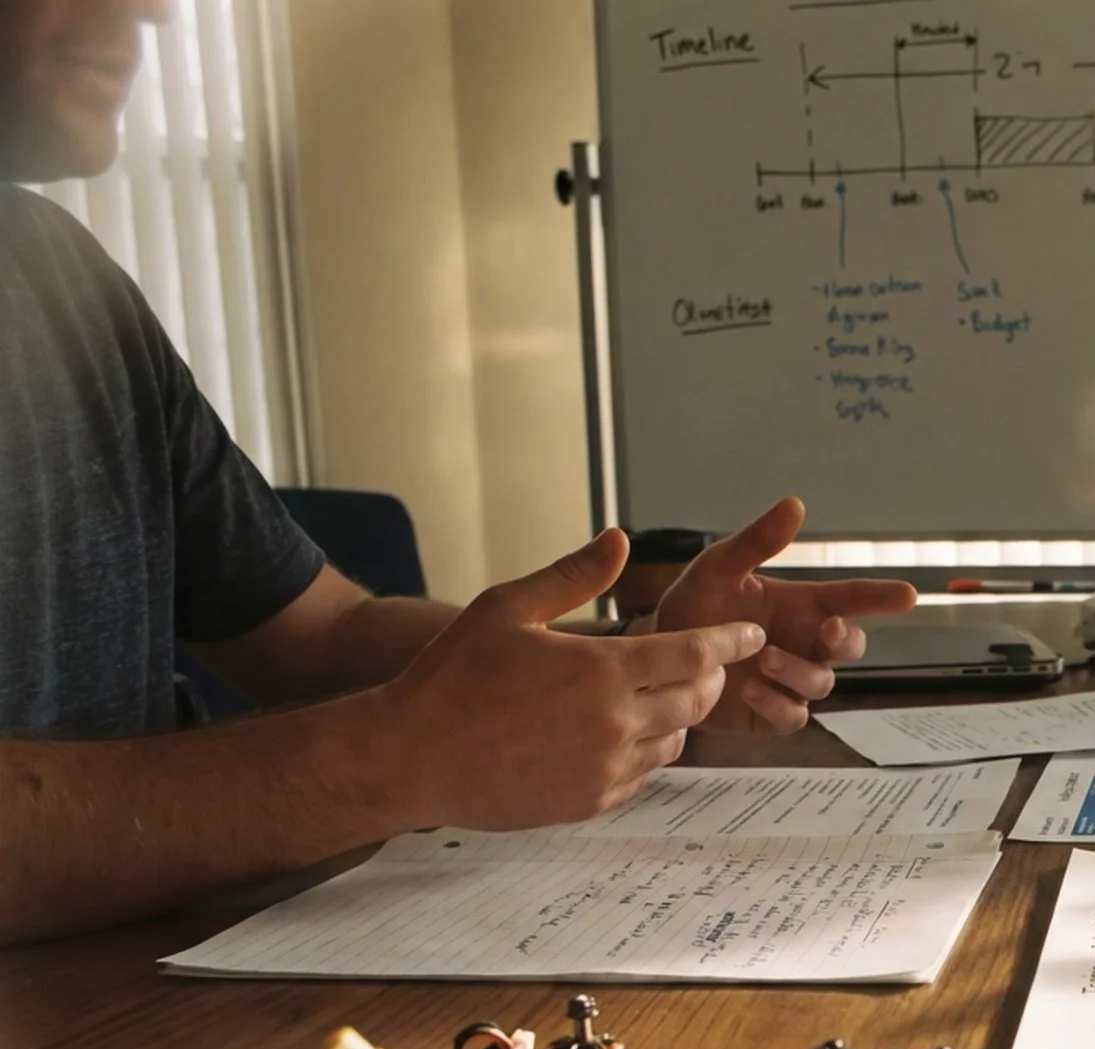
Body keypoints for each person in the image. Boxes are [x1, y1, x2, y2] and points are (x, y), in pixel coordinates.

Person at [0, 0, 917, 946]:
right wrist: (393, 761)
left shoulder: (65, 281)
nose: (148, 8)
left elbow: (322, 634)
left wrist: (641, 667)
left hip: (163, 981)